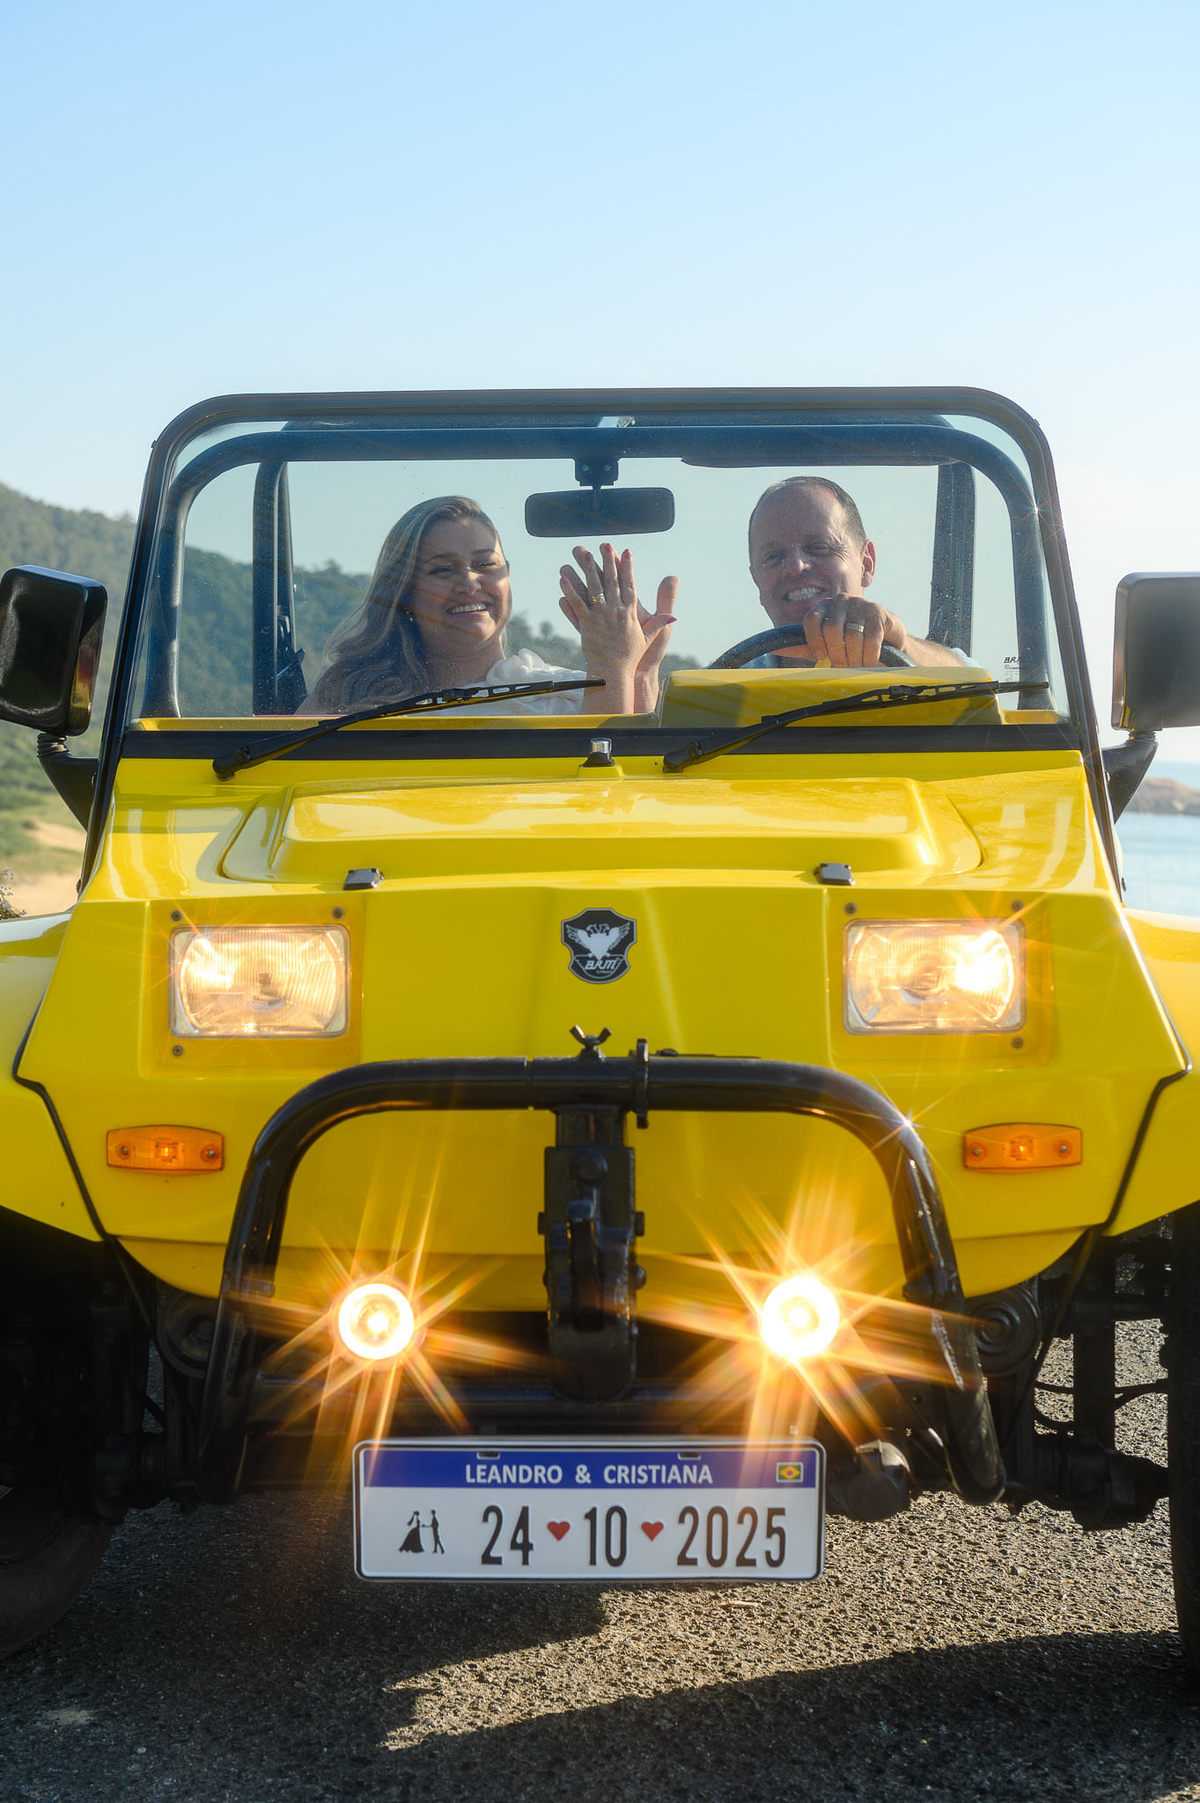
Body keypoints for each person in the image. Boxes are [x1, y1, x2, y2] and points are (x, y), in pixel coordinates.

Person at [305, 496, 676, 717]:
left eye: (485, 565)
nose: (469, 582)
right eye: (442, 569)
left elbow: (606, 801)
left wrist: (632, 671)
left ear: (508, 578)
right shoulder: (349, 693)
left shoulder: (566, 698)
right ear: (402, 592)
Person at [745, 476, 957, 668]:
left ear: (866, 564)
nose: (795, 566)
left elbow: (976, 687)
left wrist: (899, 649)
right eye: (773, 556)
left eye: (818, 547)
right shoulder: (721, 690)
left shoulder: (936, 678)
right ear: (756, 580)